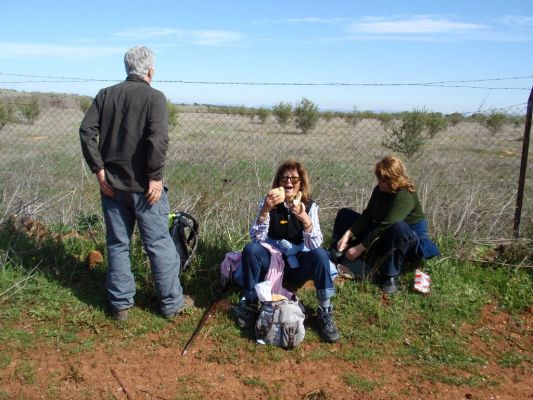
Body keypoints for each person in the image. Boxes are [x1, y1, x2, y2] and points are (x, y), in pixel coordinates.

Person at [79, 46, 193, 321]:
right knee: (158, 244)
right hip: (146, 190)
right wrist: (155, 176)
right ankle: (171, 303)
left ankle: (120, 305)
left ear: (127, 68)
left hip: (112, 187)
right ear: (150, 71)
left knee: (118, 244)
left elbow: (86, 131)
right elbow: (157, 140)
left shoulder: (106, 95)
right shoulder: (154, 98)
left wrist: (99, 170)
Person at [232, 159, 340, 343]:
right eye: (284, 178)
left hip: (298, 264)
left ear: (301, 183)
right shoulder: (269, 202)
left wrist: (305, 219)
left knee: (321, 255)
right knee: (251, 249)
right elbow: (256, 239)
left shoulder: (310, 206)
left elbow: (315, 244)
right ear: (278, 182)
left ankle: (325, 312)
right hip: (272, 262)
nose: (289, 183)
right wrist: (265, 210)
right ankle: (250, 303)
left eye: (294, 179)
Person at [334, 155, 440, 294]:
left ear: (393, 180)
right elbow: (368, 214)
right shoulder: (379, 191)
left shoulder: (405, 194)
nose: (379, 183)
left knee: (397, 227)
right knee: (345, 214)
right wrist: (349, 234)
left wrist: (361, 247)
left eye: (382, 180)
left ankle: (390, 276)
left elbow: (388, 223)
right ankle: (337, 253)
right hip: (383, 233)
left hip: (407, 241)